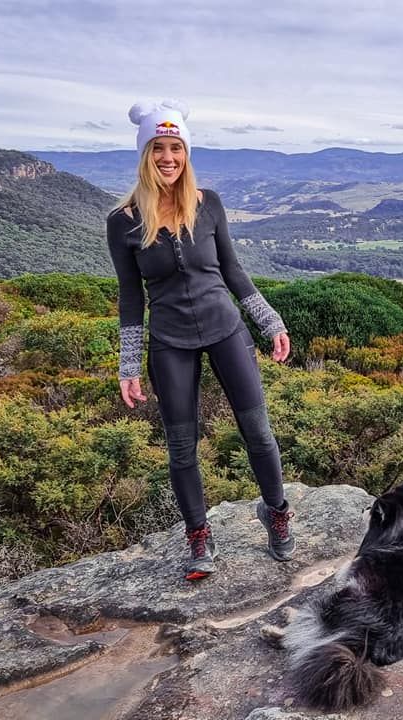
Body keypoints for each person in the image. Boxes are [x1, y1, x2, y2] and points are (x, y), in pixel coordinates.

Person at [106, 99, 295, 581]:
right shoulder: (123, 221)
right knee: (181, 446)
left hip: (226, 328)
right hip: (169, 340)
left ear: (186, 153)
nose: (168, 157)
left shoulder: (207, 203)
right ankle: (198, 534)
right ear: (144, 154)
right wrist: (128, 365)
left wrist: (270, 322)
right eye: (158, 148)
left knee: (258, 431)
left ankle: (276, 511)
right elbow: (131, 296)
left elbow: (232, 269)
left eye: (176, 148)